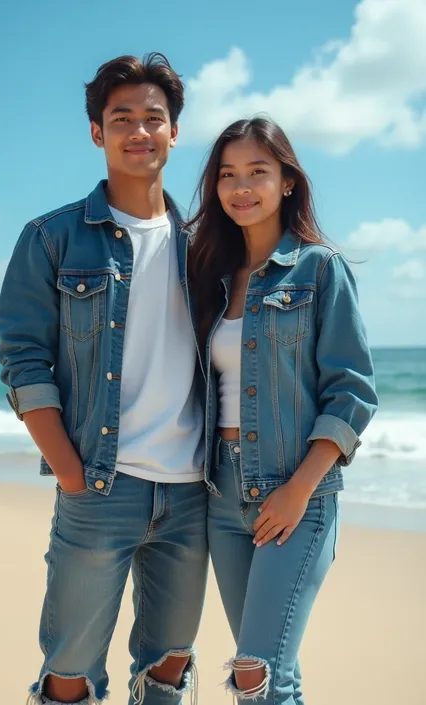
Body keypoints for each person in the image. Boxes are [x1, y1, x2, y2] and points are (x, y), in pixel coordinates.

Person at [0, 53, 208, 705]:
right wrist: (67, 468)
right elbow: (24, 358)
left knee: (170, 665)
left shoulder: (207, 243)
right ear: (98, 133)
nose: (140, 131)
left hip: (195, 490)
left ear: (175, 131)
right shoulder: (53, 237)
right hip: (99, 483)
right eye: (123, 119)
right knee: (70, 672)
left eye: (155, 118)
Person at [188, 116, 378, 704]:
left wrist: (298, 489)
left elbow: (352, 391)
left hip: (296, 495)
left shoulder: (321, 270)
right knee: (276, 673)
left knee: (255, 670)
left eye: (258, 172)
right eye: (228, 174)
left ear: (287, 182)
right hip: (219, 492)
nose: (241, 187)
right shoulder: (210, 277)